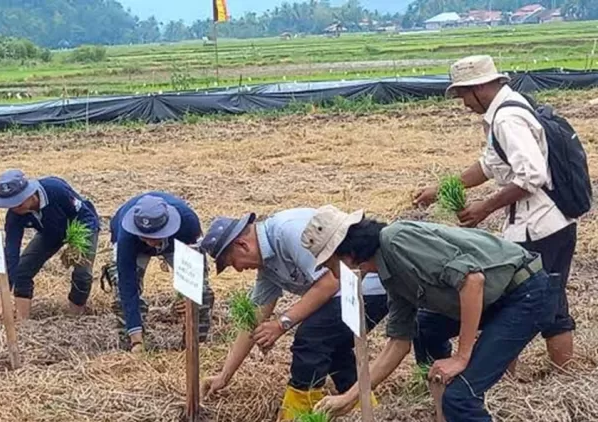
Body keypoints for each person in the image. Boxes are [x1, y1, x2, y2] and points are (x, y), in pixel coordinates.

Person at [301, 205, 557, 422]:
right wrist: (350, 397)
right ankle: (442, 409)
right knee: (425, 328)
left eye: (331, 265)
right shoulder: (390, 274)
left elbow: (472, 281)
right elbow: (398, 343)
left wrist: (461, 357)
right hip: (497, 298)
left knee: (461, 398)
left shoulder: (397, 241)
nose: (333, 275)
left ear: (348, 254)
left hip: (525, 294)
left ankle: (455, 405)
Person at [413, 55, 577, 369]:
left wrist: (484, 208)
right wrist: (443, 188)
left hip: (540, 226)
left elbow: (531, 176)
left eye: (463, 94)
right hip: (543, 222)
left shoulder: (506, 119)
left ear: (480, 87)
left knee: (525, 303)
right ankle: (534, 376)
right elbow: (489, 165)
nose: (462, 102)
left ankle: (541, 377)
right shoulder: (506, 108)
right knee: (541, 301)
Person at [199, 208, 388, 421]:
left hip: (370, 284)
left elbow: (332, 281)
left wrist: (282, 324)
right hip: (349, 290)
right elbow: (253, 320)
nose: (239, 270)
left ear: (242, 245)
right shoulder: (268, 269)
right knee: (332, 342)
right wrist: (225, 376)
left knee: (312, 336)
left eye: (233, 263)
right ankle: (364, 409)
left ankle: (298, 415)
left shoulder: (288, 231)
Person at [100, 192, 214, 353]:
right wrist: (136, 340)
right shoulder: (125, 234)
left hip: (175, 243)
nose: (151, 242)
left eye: (156, 237)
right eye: (146, 237)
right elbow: (127, 285)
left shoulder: (187, 223)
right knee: (120, 295)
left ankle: (193, 347)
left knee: (201, 294)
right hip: (135, 247)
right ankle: (132, 346)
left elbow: (193, 275)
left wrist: (186, 299)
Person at [0, 169, 101, 320]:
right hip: (50, 233)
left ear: (29, 193)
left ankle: (75, 317)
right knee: (22, 270)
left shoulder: (55, 190)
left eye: (18, 202)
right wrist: (3, 293)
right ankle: (23, 321)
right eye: (10, 204)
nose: (15, 208)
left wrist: (77, 244)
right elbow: (11, 253)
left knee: (82, 273)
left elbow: (87, 217)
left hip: (81, 227)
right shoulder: (14, 216)